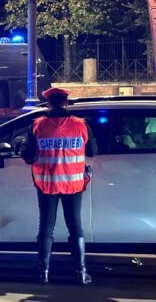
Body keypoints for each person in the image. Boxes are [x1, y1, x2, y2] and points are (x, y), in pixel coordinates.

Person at [21, 87, 97, 285]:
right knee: (75, 227)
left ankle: (43, 273)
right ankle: (81, 273)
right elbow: (93, 150)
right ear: (66, 102)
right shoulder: (81, 125)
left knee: (46, 226)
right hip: (73, 184)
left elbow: (28, 157)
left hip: (47, 184)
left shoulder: (37, 126)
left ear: (48, 104)